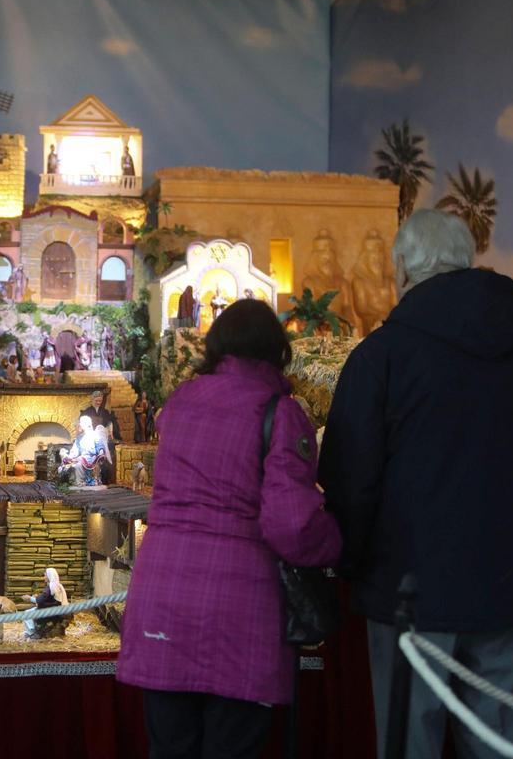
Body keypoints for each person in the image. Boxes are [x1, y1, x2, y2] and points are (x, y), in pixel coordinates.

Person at [318, 210, 513, 759]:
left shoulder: (380, 358)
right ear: (467, 262)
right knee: (500, 749)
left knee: (408, 747)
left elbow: (349, 482)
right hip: (506, 592)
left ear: (402, 270)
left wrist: (357, 564)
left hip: (406, 600)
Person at [117, 298, 341, 759]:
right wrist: (341, 540)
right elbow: (293, 527)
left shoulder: (179, 404)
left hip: (161, 600)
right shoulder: (279, 413)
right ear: (276, 351)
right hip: (239, 613)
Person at [81, 390, 121, 484]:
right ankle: (91, 479)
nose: (98, 402)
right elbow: (82, 424)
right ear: (92, 399)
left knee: (104, 459)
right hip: (90, 438)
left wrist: (110, 432)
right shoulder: (87, 411)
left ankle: (106, 480)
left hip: (102, 438)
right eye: (96, 400)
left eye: (100, 400)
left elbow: (109, 423)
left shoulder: (105, 412)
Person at [23, 567, 68, 638]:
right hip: (56, 610)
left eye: (45, 575)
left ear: (49, 576)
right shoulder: (58, 586)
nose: (44, 577)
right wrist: (37, 598)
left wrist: (29, 598)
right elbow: (48, 599)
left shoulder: (51, 587)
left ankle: (32, 633)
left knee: (26, 613)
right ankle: (31, 632)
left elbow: (40, 600)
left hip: (50, 612)